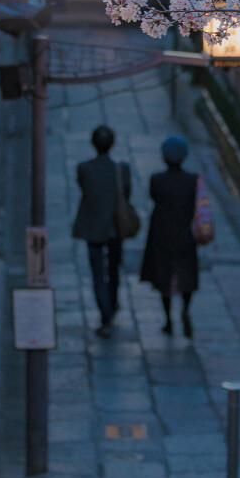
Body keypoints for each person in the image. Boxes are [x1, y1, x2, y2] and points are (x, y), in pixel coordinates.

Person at [72, 124, 131, 338]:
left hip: (93, 227)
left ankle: (105, 315)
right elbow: (127, 194)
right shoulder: (121, 170)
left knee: (97, 273)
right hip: (115, 226)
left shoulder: (84, 168)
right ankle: (112, 304)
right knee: (113, 270)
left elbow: (84, 188)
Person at [140, 134, 198, 338]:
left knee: (164, 277)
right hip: (185, 233)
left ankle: (168, 320)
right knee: (186, 274)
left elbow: (154, 197)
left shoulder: (157, 180)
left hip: (162, 233)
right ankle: (185, 309)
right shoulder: (192, 181)